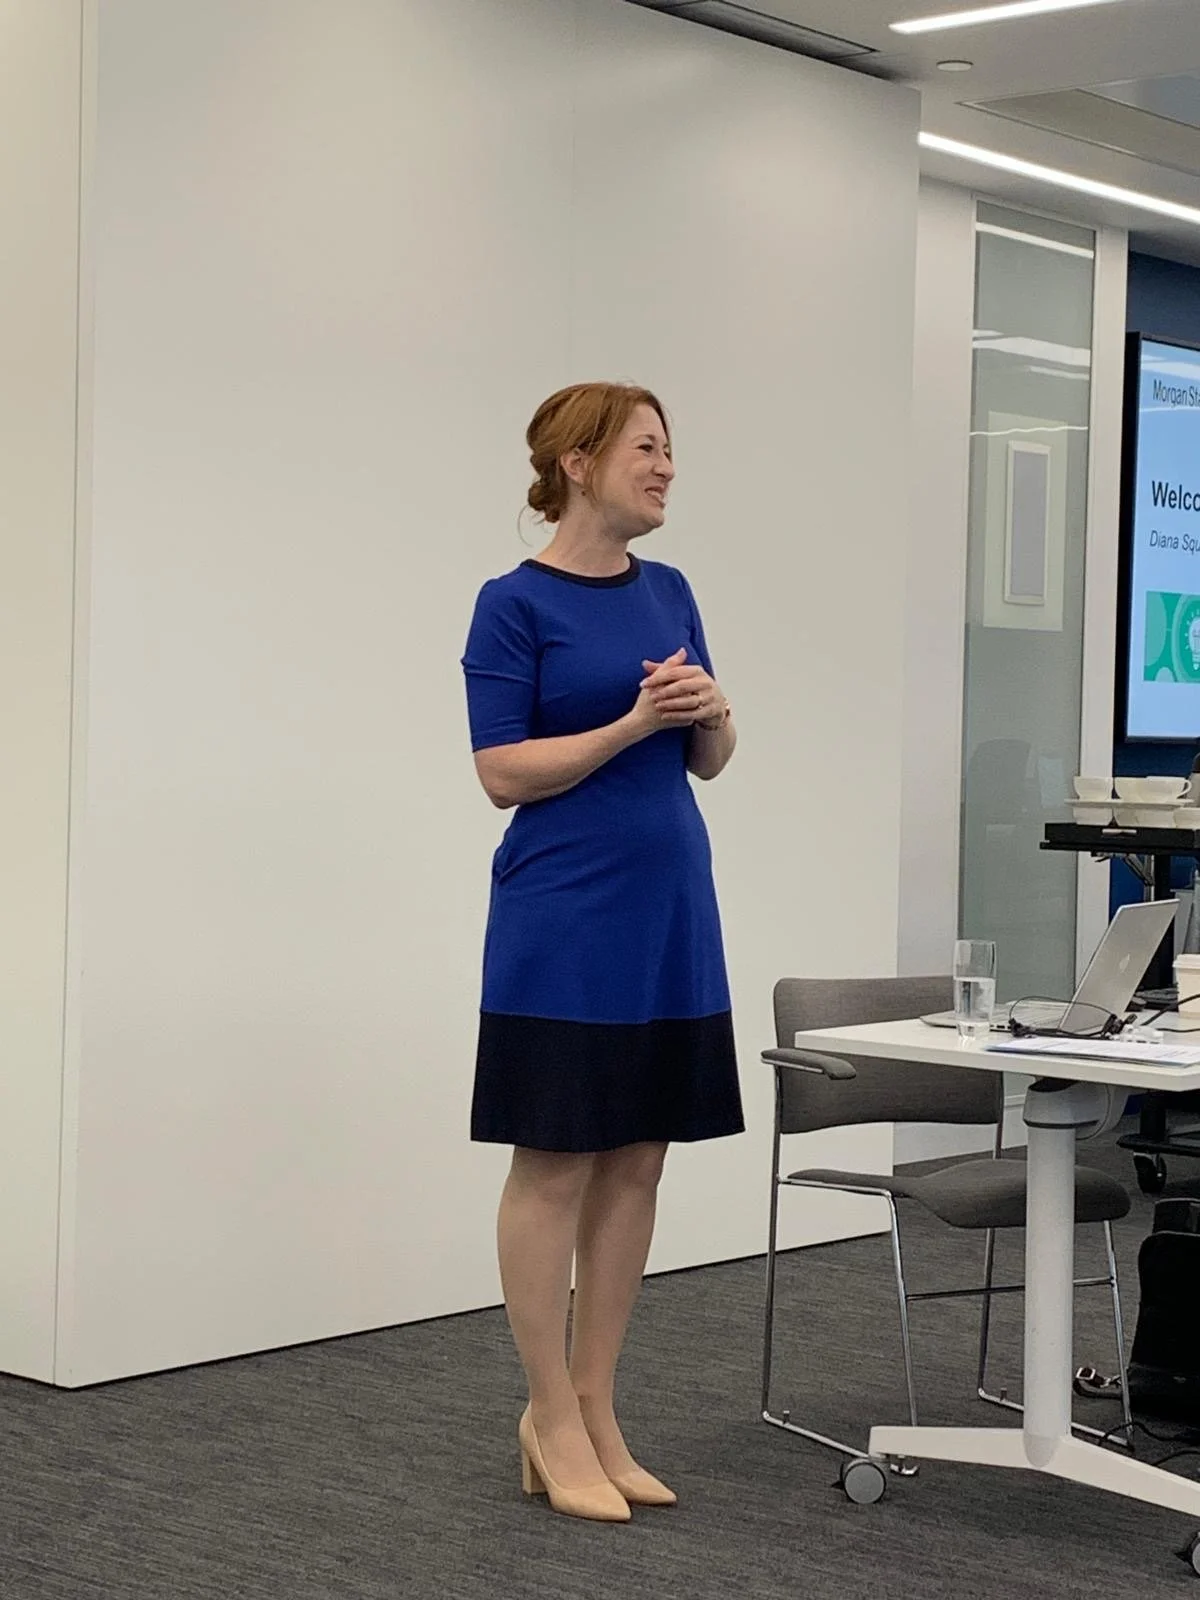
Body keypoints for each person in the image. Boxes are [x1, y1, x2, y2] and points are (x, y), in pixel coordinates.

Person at [461, 382, 744, 1522]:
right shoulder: (511, 603)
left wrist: (712, 710)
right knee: (557, 1158)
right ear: (576, 463)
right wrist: (631, 724)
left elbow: (711, 760)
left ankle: (596, 1404)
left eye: (672, 448)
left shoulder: (670, 590)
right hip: (563, 915)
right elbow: (499, 773)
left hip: (670, 904)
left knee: (639, 1154)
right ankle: (546, 1410)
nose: (667, 465)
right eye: (646, 448)